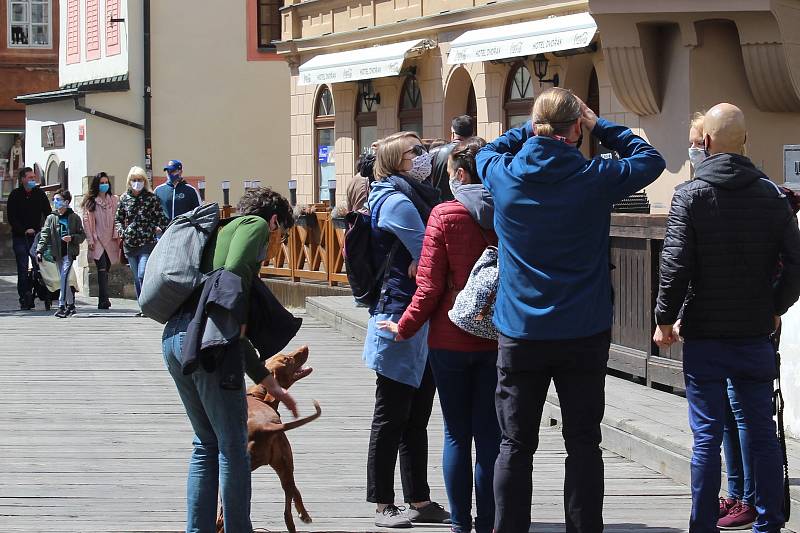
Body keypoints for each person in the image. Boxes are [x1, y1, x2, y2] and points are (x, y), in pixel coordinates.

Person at [476, 87, 666, 533]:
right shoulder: (594, 176)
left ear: (537, 127)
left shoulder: (504, 175)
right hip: (583, 330)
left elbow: (486, 149)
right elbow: (650, 158)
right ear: (576, 128)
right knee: (583, 444)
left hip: (521, 331)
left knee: (515, 445)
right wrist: (602, 126)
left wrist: (530, 128)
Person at [653, 103, 800, 533]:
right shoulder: (772, 197)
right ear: (745, 144)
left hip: (704, 336)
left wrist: (665, 319)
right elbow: (795, 264)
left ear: (708, 143)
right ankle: (769, 523)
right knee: (762, 434)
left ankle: (703, 524)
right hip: (753, 332)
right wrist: (775, 307)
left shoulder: (691, 195)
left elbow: (675, 265)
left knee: (705, 439)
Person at [378, 137, 500, 533]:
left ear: (461, 175)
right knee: (490, 435)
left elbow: (428, 287)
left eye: (449, 174)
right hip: (497, 338)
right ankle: (489, 521)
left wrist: (404, 326)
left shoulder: (443, 216)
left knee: (456, 434)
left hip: (448, 339)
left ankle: (461, 523)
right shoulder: (508, 212)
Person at [161, 187, 298, 533]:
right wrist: (236, 306)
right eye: (281, 235)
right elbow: (233, 278)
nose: (277, 244)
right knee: (233, 446)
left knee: (205, 442)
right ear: (275, 221)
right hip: (208, 345)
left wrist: (270, 385)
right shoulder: (254, 225)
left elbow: (236, 341)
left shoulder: (219, 232)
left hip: (177, 339)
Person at [363, 131, 449, 528]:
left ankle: (419, 497)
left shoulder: (410, 194)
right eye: (417, 152)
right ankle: (383, 502)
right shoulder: (396, 200)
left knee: (416, 414)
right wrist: (429, 262)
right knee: (392, 413)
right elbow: (428, 253)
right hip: (398, 314)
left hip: (417, 312)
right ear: (397, 160)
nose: (424, 157)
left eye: (425, 151)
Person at [684, 112, 757, 529]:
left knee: (741, 415)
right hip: (736, 320)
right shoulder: (761, 190)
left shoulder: (704, 193)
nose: (693, 149)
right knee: (730, 416)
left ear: (710, 143)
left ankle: (748, 497)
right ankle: (737, 492)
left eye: (696, 141)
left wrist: (667, 314)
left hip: (727, 324)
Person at [115, 166, 169, 314]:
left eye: (139, 180)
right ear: (129, 181)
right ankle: (142, 305)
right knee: (136, 277)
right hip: (130, 243)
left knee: (142, 273)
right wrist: (122, 232)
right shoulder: (124, 198)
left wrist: (162, 228)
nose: (136, 183)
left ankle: (148, 303)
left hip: (147, 241)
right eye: (134, 180)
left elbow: (161, 217)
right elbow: (118, 219)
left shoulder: (151, 198)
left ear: (144, 181)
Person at [36, 189, 85, 318]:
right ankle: (71, 305)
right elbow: (45, 235)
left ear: (66, 202)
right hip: (57, 253)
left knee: (63, 277)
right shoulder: (51, 218)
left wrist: (72, 238)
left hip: (69, 253)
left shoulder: (74, 218)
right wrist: (39, 250)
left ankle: (61, 306)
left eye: (58, 200)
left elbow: (82, 235)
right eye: (55, 200)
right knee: (64, 279)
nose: (55, 202)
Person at [7, 167, 51, 309]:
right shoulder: (15, 195)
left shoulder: (40, 194)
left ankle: (43, 293)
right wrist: (24, 230)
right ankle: (24, 296)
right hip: (20, 237)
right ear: (23, 179)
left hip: (37, 236)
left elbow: (48, 214)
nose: (33, 180)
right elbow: (12, 217)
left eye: (34, 177)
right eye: (30, 177)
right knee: (22, 268)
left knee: (40, 266)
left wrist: (44, 230)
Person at [82, 172, 122, 310]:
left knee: (107, 268)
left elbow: (119, 217)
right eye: (101, 183)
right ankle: (103, 300)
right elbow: (86, 221)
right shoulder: (91, 201)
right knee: (102, 269)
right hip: (97, 239)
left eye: (106, 182)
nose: (104, 185)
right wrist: (90, 239)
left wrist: (118, 233)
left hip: (111, 239)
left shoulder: (114, 200)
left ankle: (105, 298)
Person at [429, 115, 476, 202]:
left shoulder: (434, 153)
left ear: (453, 133)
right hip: (470, 205)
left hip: (439, 205)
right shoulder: (478, 152)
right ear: (472, 133)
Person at [347, 149, 376, 214]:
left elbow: (349, 205)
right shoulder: (367, 178)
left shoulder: (351, 181)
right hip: (365, 217)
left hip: (355, 218)